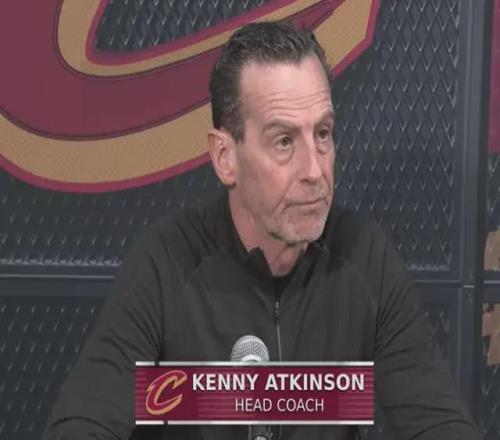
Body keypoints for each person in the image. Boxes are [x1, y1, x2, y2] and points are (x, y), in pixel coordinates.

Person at [42, 21, 481, 440]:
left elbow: (440, 426)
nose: (315, 170)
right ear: (225, 157)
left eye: (323, 134)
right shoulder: (167, 262)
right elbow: (80, 426)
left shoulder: (365, 256)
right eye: (284, 141)